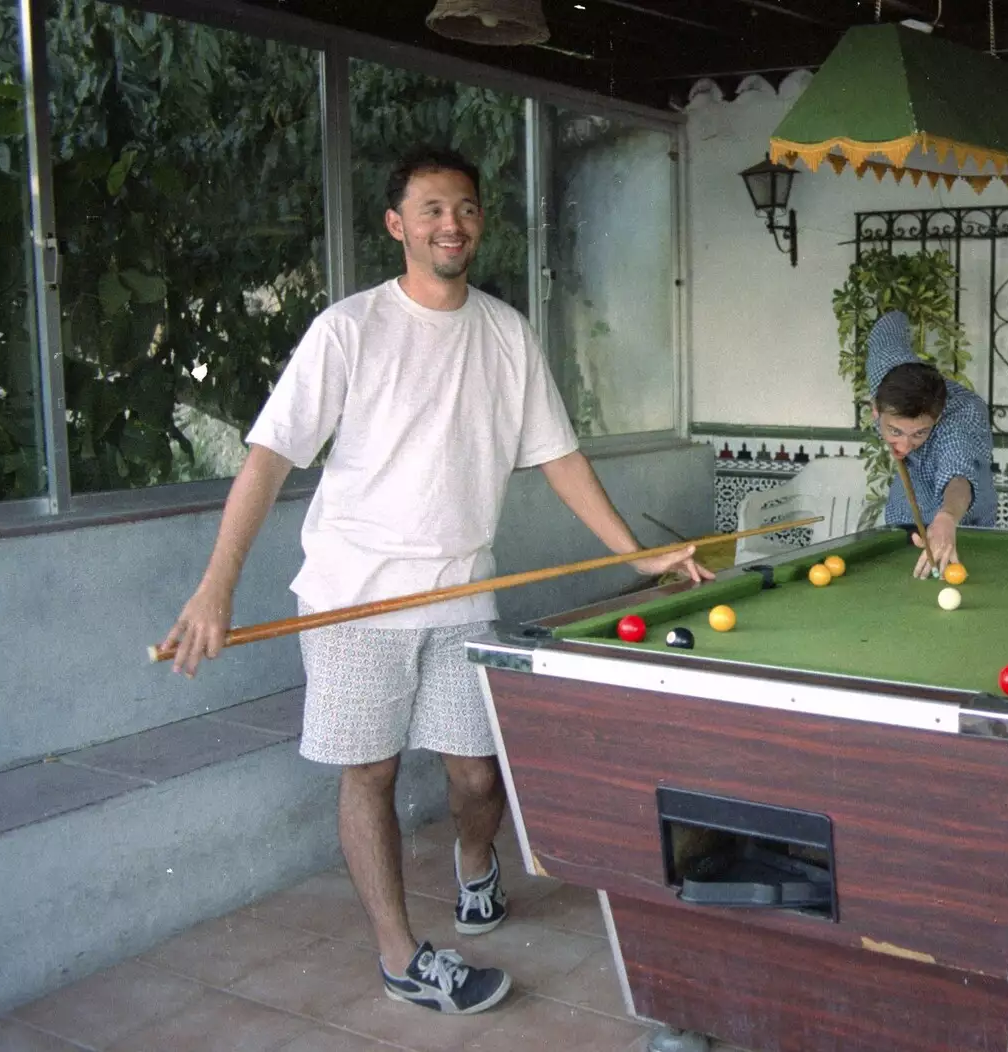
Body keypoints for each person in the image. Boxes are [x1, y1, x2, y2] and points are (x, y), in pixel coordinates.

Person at [156, 145, 711, 1016]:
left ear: (479, 220)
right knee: (369, 774)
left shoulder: (505, 332)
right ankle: (398, 955)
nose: (450, 223)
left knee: (478, 778)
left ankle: (475, 866)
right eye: (431, 210)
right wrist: (215, 586)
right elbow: (267, 459)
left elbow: (557, 457)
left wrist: (631, 555)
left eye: (464, 207)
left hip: (461, 596)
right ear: (397, 225)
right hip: (353, 598)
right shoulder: (350, 328)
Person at [865, 309, 996, 577]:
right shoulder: (885, 368)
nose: (904, 444)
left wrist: (947, 517)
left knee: (948, 539)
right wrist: (906, 309)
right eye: (895, 431)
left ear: (935, 419)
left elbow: (958, 478)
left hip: (962, 509)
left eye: (919, 434)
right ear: (875, 409)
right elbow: (887, 327)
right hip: (911, 491)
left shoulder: (958, 420)